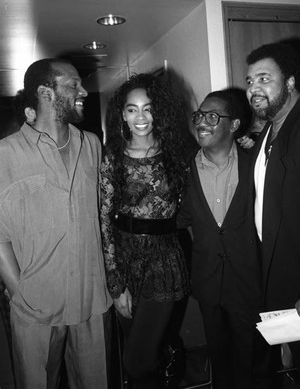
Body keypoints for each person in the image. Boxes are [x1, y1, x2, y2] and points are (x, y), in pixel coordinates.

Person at [0, 58, 112, 389]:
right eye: (74, 84)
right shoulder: (5, 154)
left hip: (92, 303)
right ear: (45, 92)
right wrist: (21, 292)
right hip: (36, 309)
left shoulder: (91, 144)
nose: (83, 91)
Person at [245, 42, 300, 387]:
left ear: (291, 81)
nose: (254, 88)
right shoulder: (272, 129)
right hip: (285, 283)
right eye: (250, 81)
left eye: (264, 78)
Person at [100, 73, 190, 389]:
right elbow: (104, 220)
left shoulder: (177, 153)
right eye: (132, 109)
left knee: (136, 361)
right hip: (124, 261)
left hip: (163, 263)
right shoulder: (112, 157)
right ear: (121, 114)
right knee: (141, 356)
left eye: (148, 108)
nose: (141, 117)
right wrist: (114, 282)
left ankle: (168, 354)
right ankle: (168, 355)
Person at [177, 88, 262, 389]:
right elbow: (183, 221)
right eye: (199, 115)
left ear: (235, 125)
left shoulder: (256, 163)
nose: (202, 122)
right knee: (220, 362)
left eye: (213, 116)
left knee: (252, 364)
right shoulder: (183, 170)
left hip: (249, 282)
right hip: (208, 283)